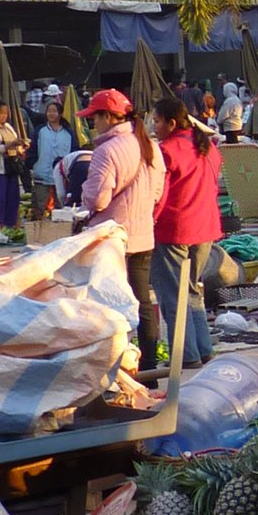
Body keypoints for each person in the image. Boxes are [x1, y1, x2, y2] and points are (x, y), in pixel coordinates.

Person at [80, 88, 166, 367]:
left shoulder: (106, 151)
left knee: (109, 304)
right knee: (142, 302)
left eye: (95, 117)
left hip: (113, 238)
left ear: (108, 117)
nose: (94, 123)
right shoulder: (149, 145)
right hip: (143, 234)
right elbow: (157, 193)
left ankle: (118, 365)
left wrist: (84, 195)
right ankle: (150, 366)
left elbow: (98, 198)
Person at [151, 93, 223, 366]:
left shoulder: (166, 151)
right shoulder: (207, 147)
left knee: (172, 296)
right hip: (205, 227)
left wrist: (149, 222)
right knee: (192, 291)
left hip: (174, 228)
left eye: (157, 121)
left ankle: (186, 355)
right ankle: (203, 350)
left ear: (171, 123)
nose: (154, 127)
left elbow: (159, 194)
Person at [30, 101, 75, 216]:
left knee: (61, 208)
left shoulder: (68, 133)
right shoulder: (40, 131)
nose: (51, 114)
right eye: (49, 111)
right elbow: (33, 150)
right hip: (42, 174)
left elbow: (73, 152)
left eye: (54, 111)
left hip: (62, 175)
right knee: (39, 207)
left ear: (60, 114)